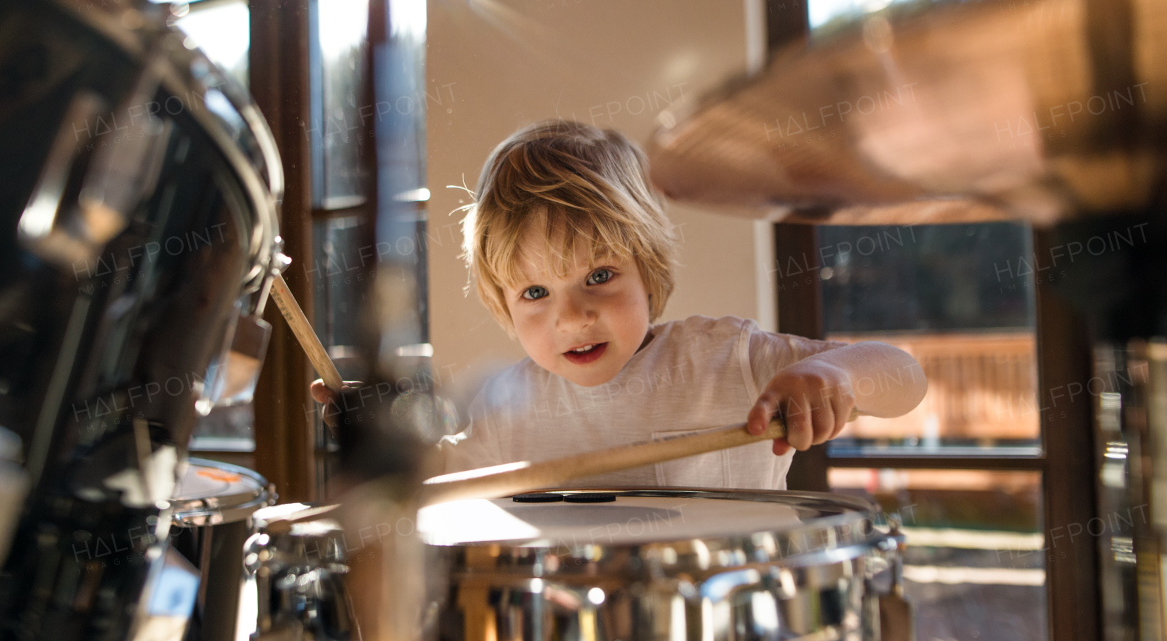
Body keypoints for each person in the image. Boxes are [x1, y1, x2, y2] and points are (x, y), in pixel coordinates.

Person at [312, 120, 927, 490]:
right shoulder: (509, 410)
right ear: (503, 303)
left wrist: (835, 374)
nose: (572, 317)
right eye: (535, 293)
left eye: (598, 276)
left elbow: (907, 378)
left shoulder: (726, 359)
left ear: (648, 270)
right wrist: (378, 436)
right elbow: (434, 479)